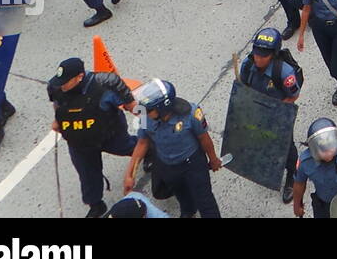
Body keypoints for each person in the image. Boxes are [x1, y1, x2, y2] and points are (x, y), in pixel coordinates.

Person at [48, 56, 137, 218]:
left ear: (80, 77)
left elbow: (133, 106)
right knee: (87, 174)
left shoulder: (106, 85)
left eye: (65, 81)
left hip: (110, 134)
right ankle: (96, 204)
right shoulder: (57, 88)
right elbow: (58, 112)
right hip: (79, 142)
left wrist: (147, 130)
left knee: (130, 147)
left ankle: (151, 153)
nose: (61, 85)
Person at [123, 79, 223, 219]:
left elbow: (204, 138)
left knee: (205, 200)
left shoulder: (191, 114)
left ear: (162, 108)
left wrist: (213, 159)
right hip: (167, 165)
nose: (144, 112)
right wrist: (129, 175)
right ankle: (188, 212)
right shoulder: (146, 117)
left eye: (149, 109)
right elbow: (142, 143)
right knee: (181, 194)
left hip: (192, 164)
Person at [237, 27, 302, 204]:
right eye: (257, 53)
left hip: (279, 113)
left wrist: (276, 109)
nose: (258, 58)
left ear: (273, 54)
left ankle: (293, 174)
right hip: (258, 111)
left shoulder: (284, 72)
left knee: (287, 145)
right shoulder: (248, 64)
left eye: (263, 55)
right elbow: (243, 86)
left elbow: (293, 95)